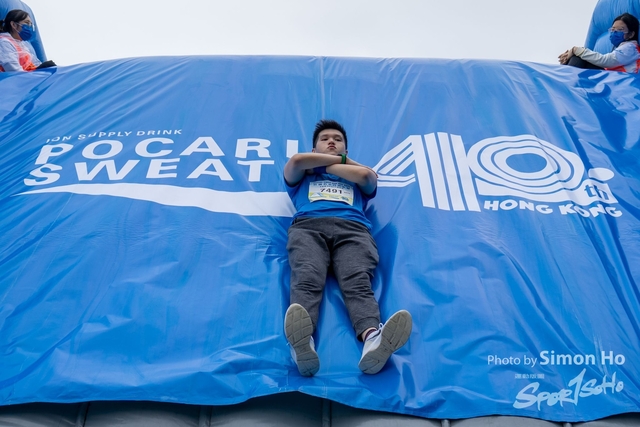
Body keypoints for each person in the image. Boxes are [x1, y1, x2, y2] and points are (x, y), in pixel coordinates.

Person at [283, 119, 412, 376]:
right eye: (325, 139)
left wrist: (329, 163)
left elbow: (367, 176)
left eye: (338, 139)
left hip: (353, 230)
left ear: (346, 150)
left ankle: (372, 339)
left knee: (357, 282)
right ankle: (303, 343)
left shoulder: (354, 177)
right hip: (309, 228)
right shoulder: (302, 176)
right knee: (307, 277)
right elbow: (296, 161)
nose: (331, 141)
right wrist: (335, 163)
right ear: (314, 148)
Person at [559, 13, 640, 73]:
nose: (614, 32)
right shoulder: (622, 48)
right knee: (578, 58)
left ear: (631, 34)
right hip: (612, 81)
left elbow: (606, 61)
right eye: (613, 29)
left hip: (620, 84)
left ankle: (565, 85)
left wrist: (576, 50)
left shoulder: (630, 48)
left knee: (578, 58)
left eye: (620, 30)